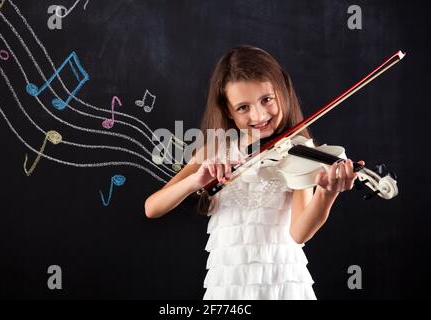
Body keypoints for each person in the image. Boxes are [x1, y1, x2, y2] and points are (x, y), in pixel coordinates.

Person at [144, 45, 364, 300]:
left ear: (282, 92)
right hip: (228, 285)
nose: (259, 115)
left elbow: (299, 233)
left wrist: (327, 194)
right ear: (228, 110)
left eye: (266, 100)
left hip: (282, 282)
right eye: (243, 107)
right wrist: (195, 180)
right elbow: (152, 207)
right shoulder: (215, 148)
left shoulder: (296, 151)